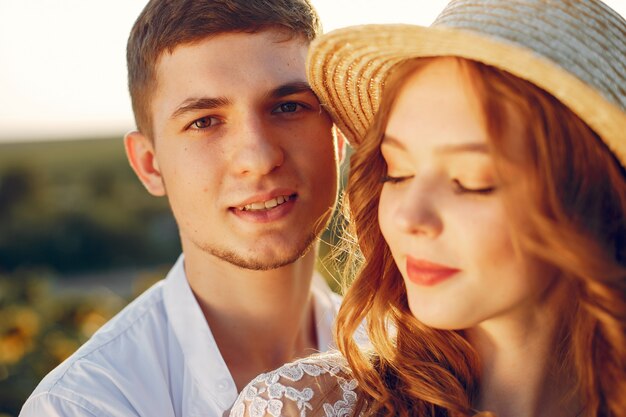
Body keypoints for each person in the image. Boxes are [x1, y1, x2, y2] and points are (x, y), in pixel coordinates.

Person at [230, 0, 626, 416]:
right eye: (398, 172)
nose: (407, 218)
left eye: (470, 182)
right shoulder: (302, 407)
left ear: (595, 200)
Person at [20, 1, 345, 416]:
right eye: (205, 121)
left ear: (337, 139)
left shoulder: (404, 356)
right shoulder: (83, 405)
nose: (259, 157)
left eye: (288, 106)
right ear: (149, 165)